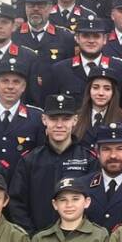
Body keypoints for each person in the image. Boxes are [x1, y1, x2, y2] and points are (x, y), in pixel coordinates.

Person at [7, 94, 96, 233]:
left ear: (75, 120)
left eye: (66, 119)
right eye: (53, 119)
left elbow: (94, 200)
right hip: (38, 240)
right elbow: (16, 202)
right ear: (44, 119)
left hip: (80, 239)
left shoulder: (89, 159)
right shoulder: (29, 160)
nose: (59, 125)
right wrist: (31, 235)